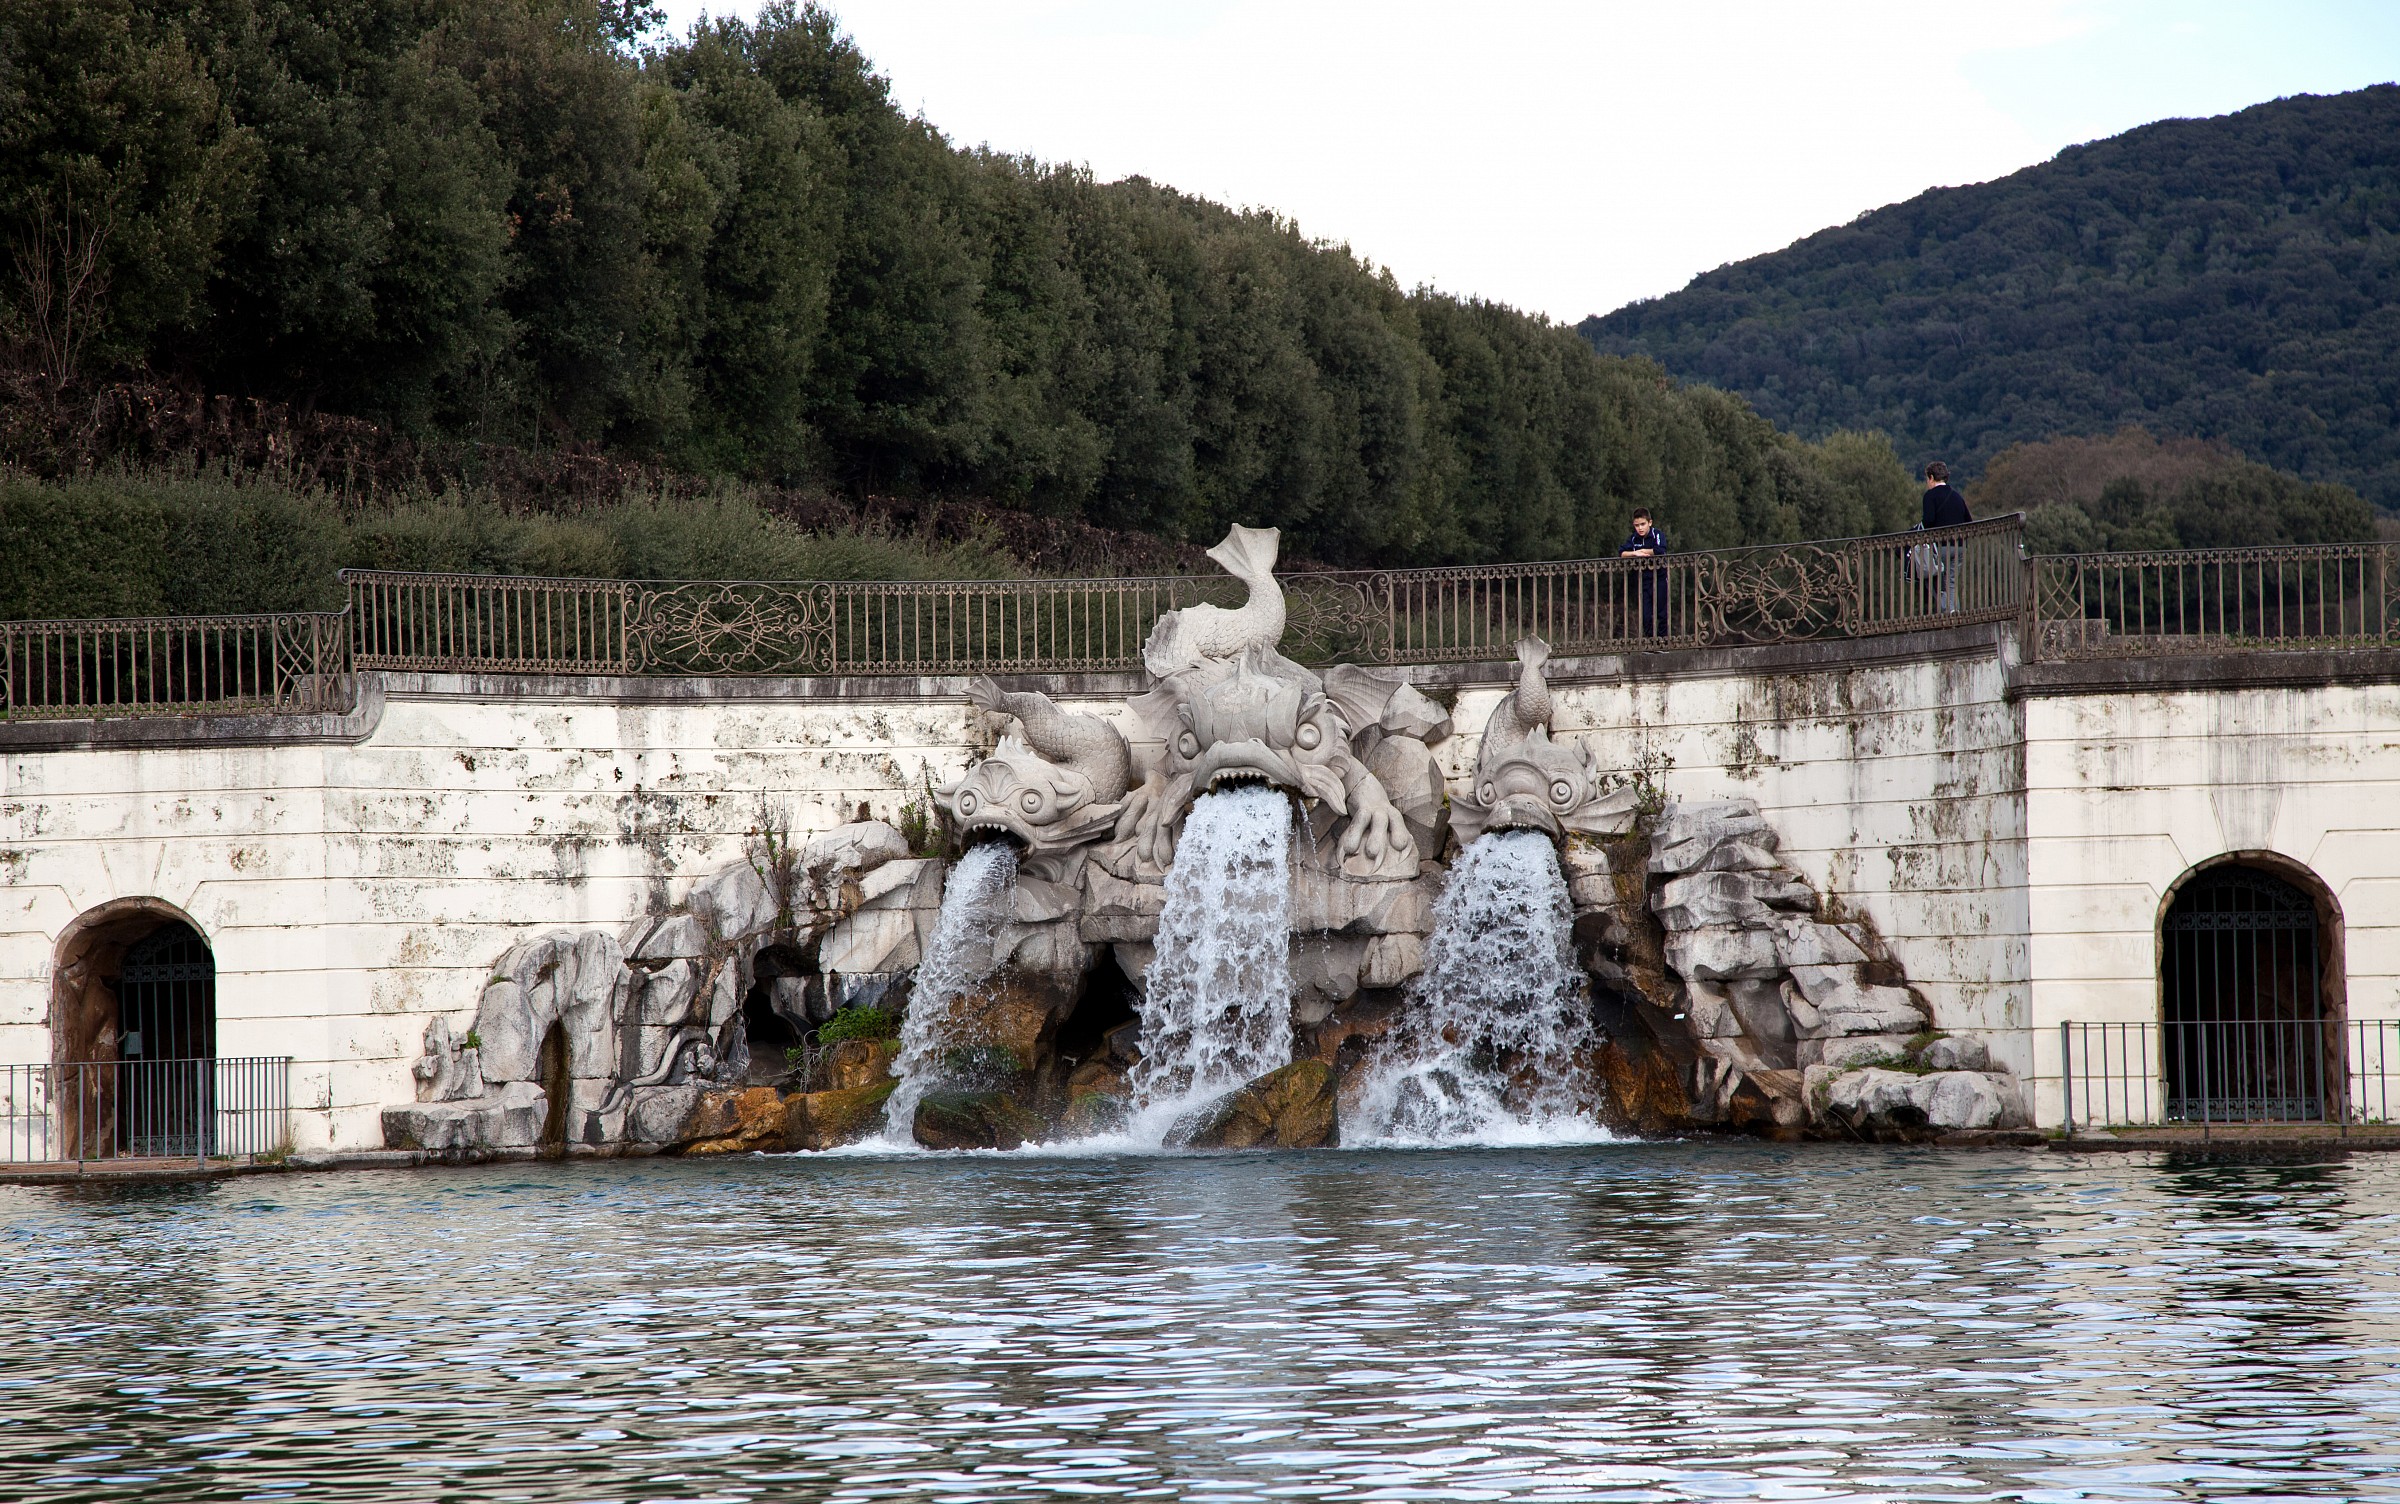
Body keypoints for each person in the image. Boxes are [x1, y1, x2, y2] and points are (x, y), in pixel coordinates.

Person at [1917, 461, 1972, 612]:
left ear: (1931, 477)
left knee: (1933, 580)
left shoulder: (1930, 496)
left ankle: (1946, 612)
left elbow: (1928, 521)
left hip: (1940, 546)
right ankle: (1954, 612)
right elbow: (1968, 521)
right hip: (1959, 546)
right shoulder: (1956, 496)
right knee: (1951, 581)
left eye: (1927, 479)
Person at [1620, 509, 1669, 637]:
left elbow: (1661, 550)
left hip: (1659, 577)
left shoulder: (1657, 534)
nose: (1640, 528)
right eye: (1637, 525)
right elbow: (1622, 553)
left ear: (1649, 523)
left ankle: (1663, 641)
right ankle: (1650, 641)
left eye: (1643, 524)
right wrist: (1635, 553)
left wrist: (1644, 551)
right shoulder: (1633, 538)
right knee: (1646, 614)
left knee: (1662, 612)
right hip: (1643, 579)